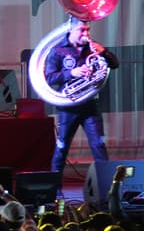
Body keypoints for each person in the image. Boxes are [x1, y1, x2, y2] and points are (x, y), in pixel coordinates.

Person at [45, 17, 119, 173]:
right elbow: (49, 78)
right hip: (68, 108)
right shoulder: (58, 50)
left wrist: (104, 52)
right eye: (82, 30)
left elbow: (115, 64)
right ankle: (54, 191)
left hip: (90, 105)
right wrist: (72, 73)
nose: (86, 34)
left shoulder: (92, 48)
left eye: (88, 30)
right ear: (71, 30)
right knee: (62, 147)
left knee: (99, 145)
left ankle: (105, 190)